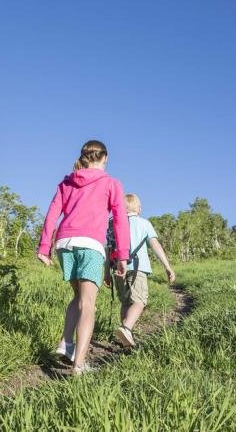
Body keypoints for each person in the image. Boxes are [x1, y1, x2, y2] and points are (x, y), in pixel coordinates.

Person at [37, 140, 130, 375]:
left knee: (78, 296)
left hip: (65, 243)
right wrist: (122, 254)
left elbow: (52, 213)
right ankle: (79, 365)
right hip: (90, 244)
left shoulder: (67, 182)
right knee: (88, 304)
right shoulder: (111, 183)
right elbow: (120, 220)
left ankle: (66, 342)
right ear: (105, 158)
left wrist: (45, 246)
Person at [105, 193, 175, 347]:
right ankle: (126, 328)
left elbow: (108, 249)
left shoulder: (112, 224)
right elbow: (155, 245)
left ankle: (125, 339)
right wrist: (167, 266)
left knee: (125, 302)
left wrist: (106, 273)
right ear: (139, 209)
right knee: (139, 301)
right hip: (138, 268)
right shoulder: (144, 223)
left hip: (118, 268)